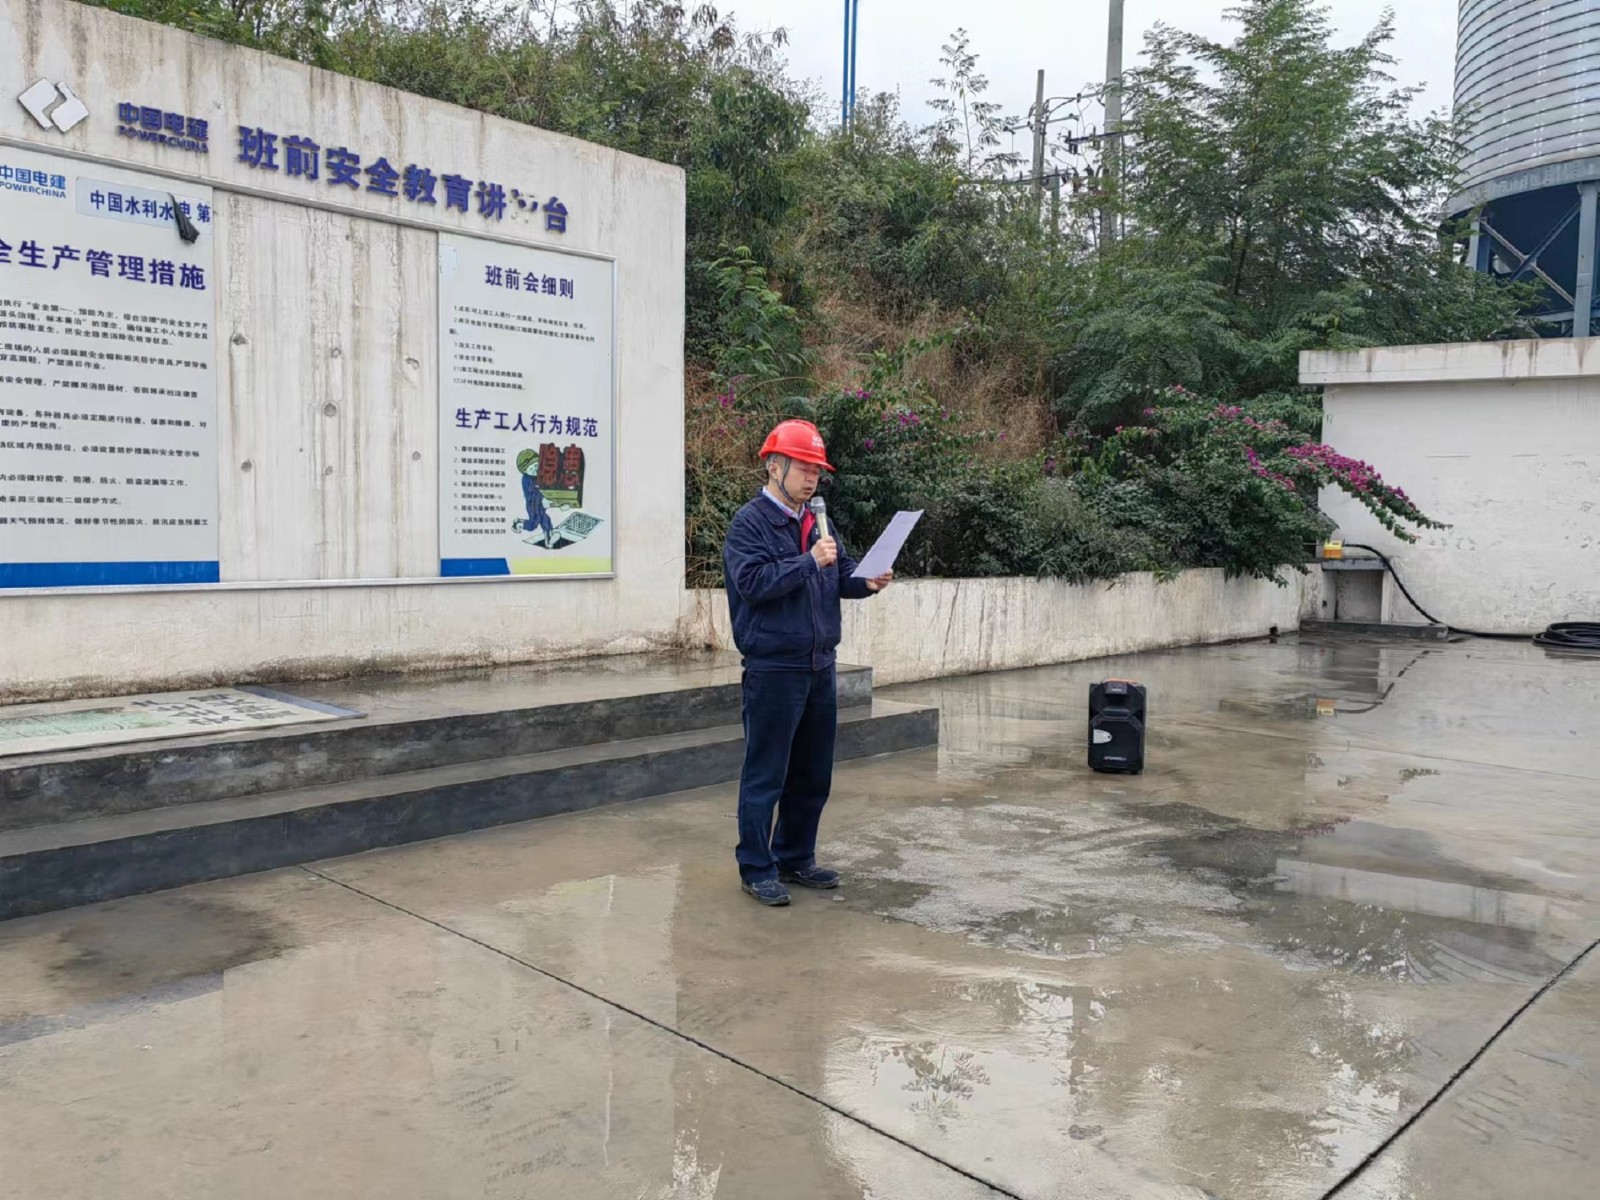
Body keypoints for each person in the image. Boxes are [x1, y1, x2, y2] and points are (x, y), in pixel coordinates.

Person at [722, 419, 892, 906]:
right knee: (766, 775)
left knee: (812, 774)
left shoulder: (818, 520)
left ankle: (795, 856)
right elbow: (753, 584)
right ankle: (757, 868)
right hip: (774, 668)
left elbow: (840, 573)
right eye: (803, 468)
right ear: (774, 467)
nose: (812, 478)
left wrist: (867, 581)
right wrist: (809, 561)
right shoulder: (749, 523)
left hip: (820, 665)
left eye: (817, 471)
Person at [513, 448, 555, 546]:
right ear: (525, 471)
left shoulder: (539, 475)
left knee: (545, 520)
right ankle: (518, 524)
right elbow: (533, 493)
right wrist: (542, 498)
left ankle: (549, 536)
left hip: (540, 504)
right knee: (533, 525)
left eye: (536, 466)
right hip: (532, 505)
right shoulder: (526, 480)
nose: (534, 470)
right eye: (531, 469)